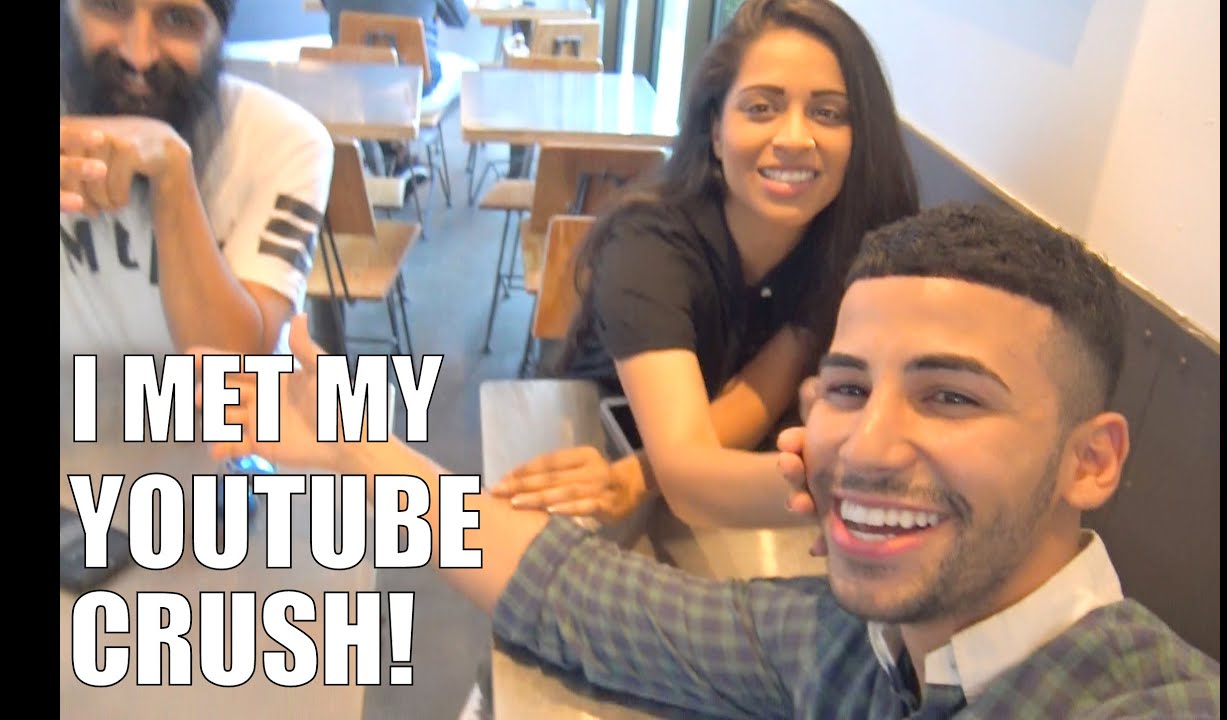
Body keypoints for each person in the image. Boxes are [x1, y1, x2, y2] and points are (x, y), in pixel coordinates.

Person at [194, 202, 1221, 717]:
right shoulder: (855, 643)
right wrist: (354, 452)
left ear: (1091, 462)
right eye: (847, 388)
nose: (865, 446)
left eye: (950, 396)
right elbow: (581, 598)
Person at [490, 0, 921, 528]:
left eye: (828, 113)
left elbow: (761, 392)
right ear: (715, 131)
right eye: (761, 108)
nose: (794, 138)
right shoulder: (648, 244)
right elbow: (688, 476)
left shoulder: (846, 245)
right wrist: (869, 486)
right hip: (595, 441)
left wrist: (644, 474)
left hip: (704, 479)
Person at [59, 0, 333, 357]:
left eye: (178, 19)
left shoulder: (284, 140)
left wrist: (172, 178)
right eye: (111, 6)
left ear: (218, 34)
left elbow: (234, 363)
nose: (139, 56)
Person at [320, 0, 471, 177]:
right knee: (466, 68)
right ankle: (399, 149)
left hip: (353, 80)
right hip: (414, 85)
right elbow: (459, 18)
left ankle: (389, 151)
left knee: (375, 78)